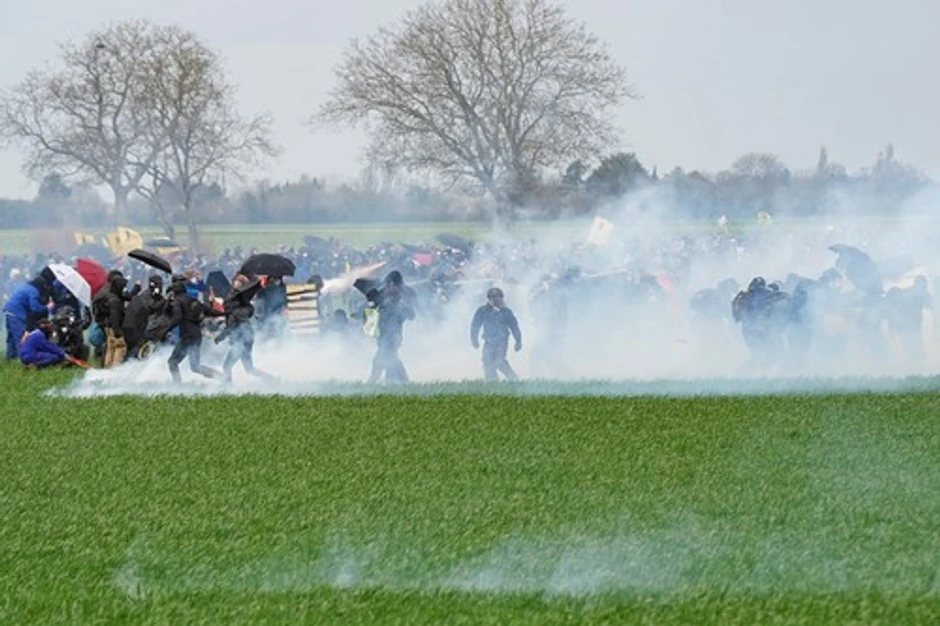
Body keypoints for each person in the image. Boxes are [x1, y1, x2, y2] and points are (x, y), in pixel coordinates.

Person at [215, 274, 273, 382]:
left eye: (239, 283)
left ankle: (228, 387)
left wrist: (220, 337)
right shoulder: (242, 302)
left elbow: (232, 325)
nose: (236, 284)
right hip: (246, 339)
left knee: (227, 366)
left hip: (241, 340)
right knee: (250, 369)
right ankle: (272, 379)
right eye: (236, 281)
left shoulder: (236, 303)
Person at [165, 280, 223, 383]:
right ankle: (221, 377)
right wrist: (226, 313)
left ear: (174, 293)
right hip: (196, 336)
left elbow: (177, 317)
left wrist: (166, 329)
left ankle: (177, 387)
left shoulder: (178, 301)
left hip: (187, 336)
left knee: (172, 362)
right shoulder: (193, 300)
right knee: (195, 366)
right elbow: (209, 311)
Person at [470, 287, 523, 382]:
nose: (496, 300)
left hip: (502, 341)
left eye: (499, 297)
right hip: (489, 341)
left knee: (500, 362)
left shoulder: (506, 312)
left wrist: (518, 341)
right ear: (489, 299)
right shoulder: (482, 311)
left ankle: (514, 379)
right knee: (487, 362)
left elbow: (514, 326)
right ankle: (492, 383)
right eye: (493, 297)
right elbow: (475, 325)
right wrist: (474, 339)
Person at [366, 285, 415, 384]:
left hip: (392, 339)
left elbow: (411, 316)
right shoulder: (385, 306)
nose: (396, 297)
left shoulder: (400, 306)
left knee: (380, 361)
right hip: (386, 338)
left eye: (396, 295)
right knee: (392, 361)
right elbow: (376, 321)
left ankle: (371, 382)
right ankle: (404, 381)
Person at [3, 268, 54, 359]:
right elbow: (35, 308)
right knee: (21, 338)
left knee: (11, 338)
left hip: (9, 311)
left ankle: (9, 358)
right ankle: (23, 360)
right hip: (16, 313)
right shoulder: (33, 291)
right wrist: (47, 307)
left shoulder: (27, 287)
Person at [123, 274, 165, 358]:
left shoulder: (154, 295)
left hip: (140, 324)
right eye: (158, 284)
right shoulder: (147, 295)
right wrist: (163, 301)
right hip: (136, 324)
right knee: (136, 346)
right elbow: (151, 307)